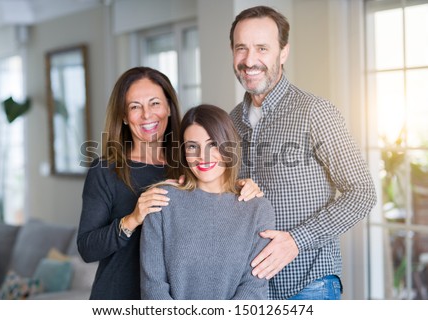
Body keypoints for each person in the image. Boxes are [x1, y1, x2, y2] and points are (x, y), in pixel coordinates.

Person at [229, 6, 377, 300]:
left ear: (283, 52)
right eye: (241, 48)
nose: (249, 60)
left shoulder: (315, 112)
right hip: (250, 292)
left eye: (262, 48)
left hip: (309, 287)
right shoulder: (230, 122)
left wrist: (296, 241)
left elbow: (362, 193)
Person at [77, 67, 262, 299]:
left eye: (155, 103)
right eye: (135, 106)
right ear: (124, 116)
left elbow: (216, 207)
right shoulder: (105, 170)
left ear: (168, 108)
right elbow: (87, 248)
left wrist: (240, 188)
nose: (147, 115)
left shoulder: (189, 162)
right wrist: (132, 219)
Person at [140, 104, 275, 300]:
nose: (203, 156)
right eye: (192, 146)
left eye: (212, 144)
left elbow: (253, 288)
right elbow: (153, 287)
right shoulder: (162, 201)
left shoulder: (257, 209)